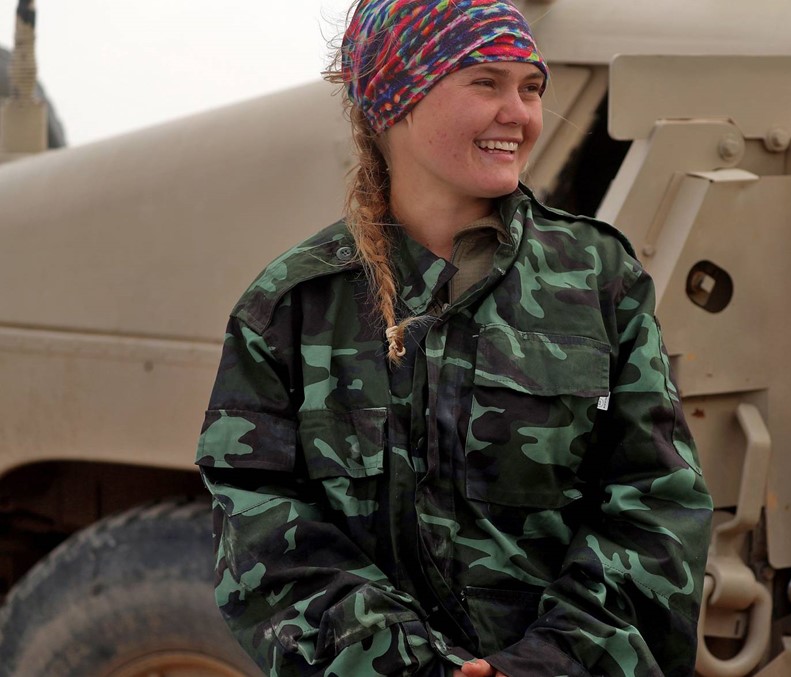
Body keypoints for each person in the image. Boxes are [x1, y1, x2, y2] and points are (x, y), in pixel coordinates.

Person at [195, 1, 712, 675]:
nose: (519, 114)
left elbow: (659, 501)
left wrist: (547, 663)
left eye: (531, 88)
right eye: (486, 83)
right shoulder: (293, 304)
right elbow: (259, 524)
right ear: (399, 100)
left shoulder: (597, 280)